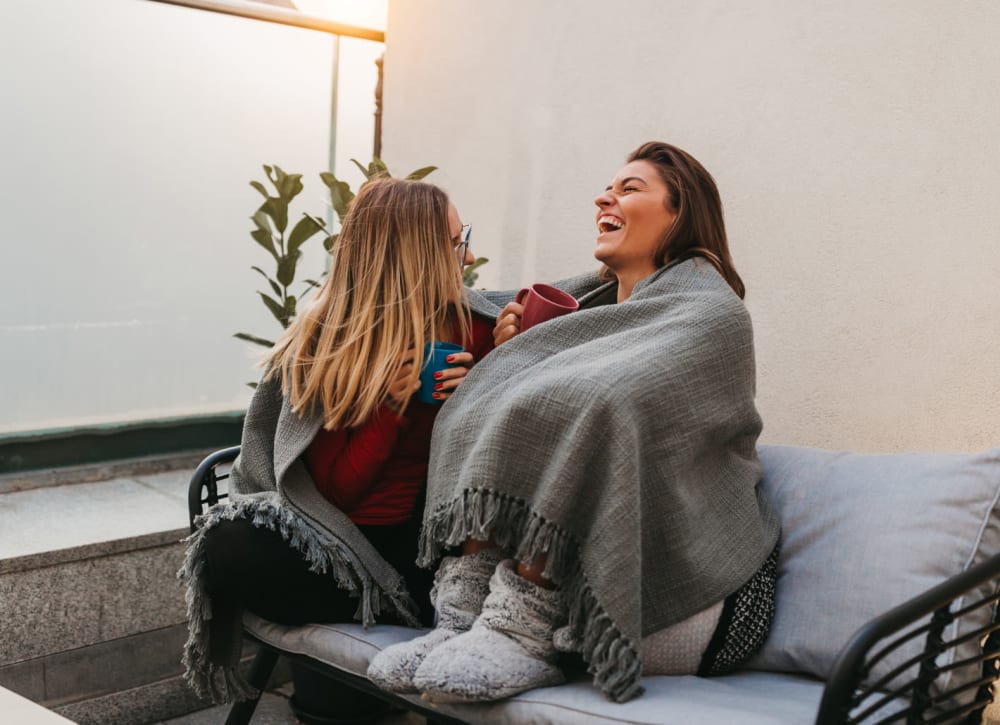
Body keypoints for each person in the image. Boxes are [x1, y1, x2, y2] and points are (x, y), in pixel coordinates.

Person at [368, 142, 781, 704]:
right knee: (491, 397)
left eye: (630, 188)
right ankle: (460, 622)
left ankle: (520, 630)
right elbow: (521, 404)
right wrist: (509, 356)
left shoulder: (711, 314)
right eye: (610, 186)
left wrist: (531, 374)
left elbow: (606, 403)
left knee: (580, 403)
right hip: (561, 585)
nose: (603, 196)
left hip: (702, 593)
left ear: (679, 213)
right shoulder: (587, 308)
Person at [178, 177, 496, 721]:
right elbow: (333, 495)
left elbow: (503, 442)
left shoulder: (476, 326)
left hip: (433, 545)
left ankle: (418, 619)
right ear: (415, 258)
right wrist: (392, 410)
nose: (465, 256)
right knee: (228, 545)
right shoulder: (329, 342)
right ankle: (383, 623)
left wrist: (493, 370)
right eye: (453, 242)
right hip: (345, 541)